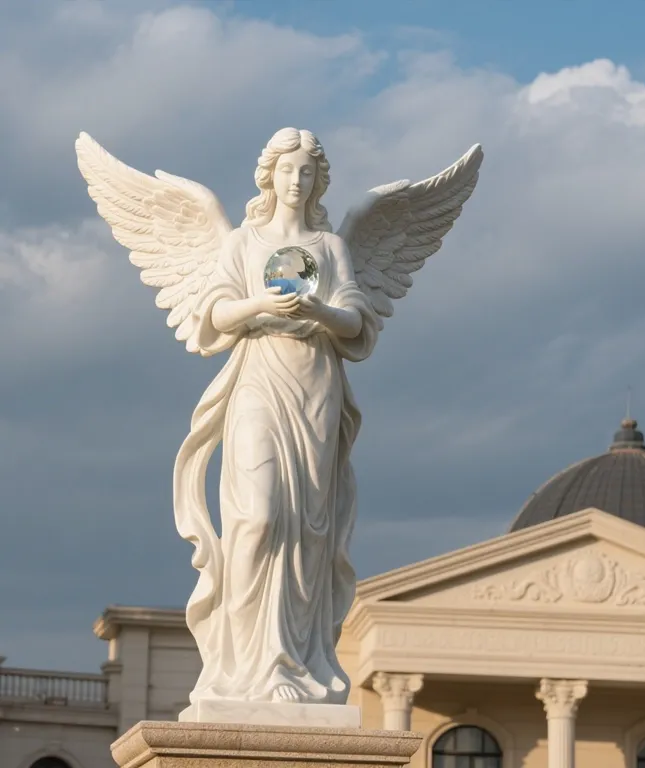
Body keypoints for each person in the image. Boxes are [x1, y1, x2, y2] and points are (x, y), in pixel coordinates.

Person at [174, 128, 379, 707]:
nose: (297, 180)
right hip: (259, 379)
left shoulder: (331, 248)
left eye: (307, 172)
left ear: (318, 181)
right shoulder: (243, 242)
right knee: (258, 518)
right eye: (287, 170)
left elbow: (358, 325)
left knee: (307, 529)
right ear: (268, 175)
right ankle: (241, 665)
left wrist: (319, 309)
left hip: (316, 385)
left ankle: (293, 661)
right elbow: (214, 314)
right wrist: (262, 304)